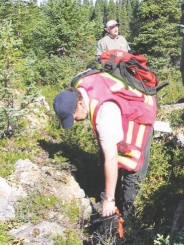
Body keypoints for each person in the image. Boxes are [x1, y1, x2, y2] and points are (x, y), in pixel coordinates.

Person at [53, 72, 156, 219]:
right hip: (119, 108)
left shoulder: (104, 114)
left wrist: (109, 199)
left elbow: (111, 157)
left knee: (133, 171)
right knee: (106, 154)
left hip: (141, 112)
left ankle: (130, 221)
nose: (74, 121)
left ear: (80, 104)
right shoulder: (79, 85)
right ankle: (113, 206)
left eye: (73, 116)